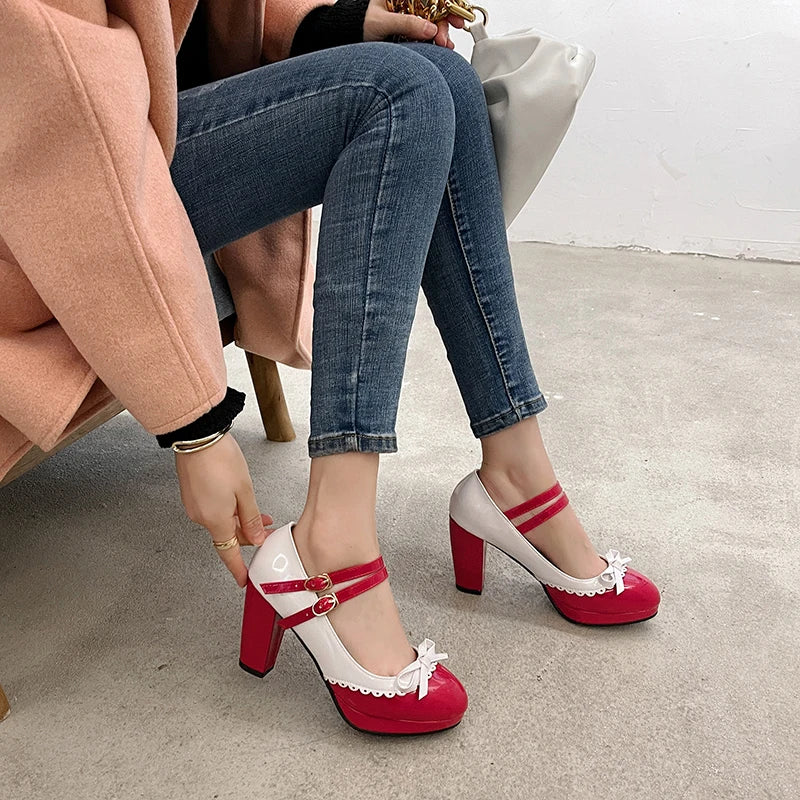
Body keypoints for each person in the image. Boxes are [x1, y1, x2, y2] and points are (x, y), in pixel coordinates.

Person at [1, 0, 659, 737]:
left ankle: (516, 467)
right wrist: (193, 421)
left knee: (442, 78)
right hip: (43, 180)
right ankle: (333, 538)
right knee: (397, 96)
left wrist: (335, 23)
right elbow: (57, 113)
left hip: (138, 120)